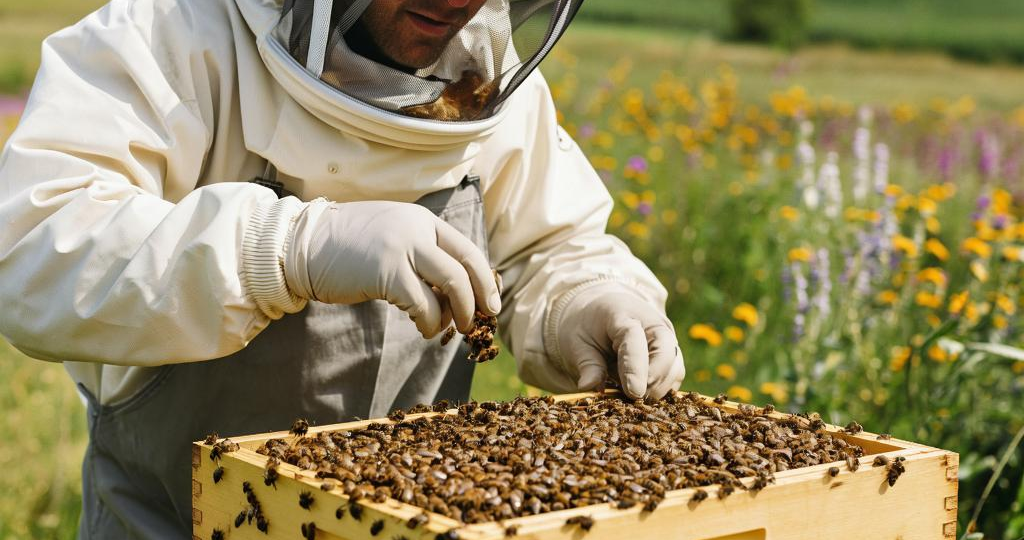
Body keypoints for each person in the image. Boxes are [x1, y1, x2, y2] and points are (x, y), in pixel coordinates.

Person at [0, 0, 686, 537]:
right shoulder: (170, 36)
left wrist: (585, 296)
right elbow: (33, 252)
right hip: (171, 524)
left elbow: (550, 244)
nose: (459, 3)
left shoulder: (486, 75)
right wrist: (288, 249)